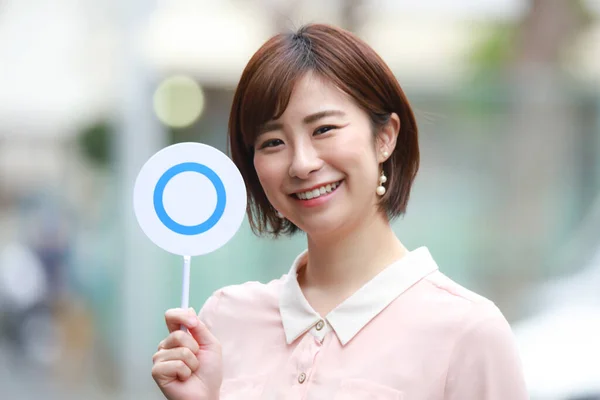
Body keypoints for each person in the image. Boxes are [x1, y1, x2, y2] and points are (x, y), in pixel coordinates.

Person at [151, 23, 529, 399]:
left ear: (385, 137)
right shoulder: (222, 319)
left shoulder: (469, 333)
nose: (302, 164)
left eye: (324, 129)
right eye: (273, 141)